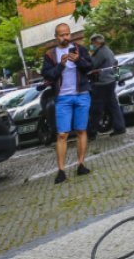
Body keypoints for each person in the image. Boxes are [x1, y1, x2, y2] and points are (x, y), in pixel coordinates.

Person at [40, 23, 94, 184]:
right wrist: (61, 65)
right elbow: (48, 75)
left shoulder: (79, 49)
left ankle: (81, 164)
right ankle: (61, 170)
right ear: (56, 37)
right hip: (63, 97)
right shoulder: (50, 55)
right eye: (62, 35)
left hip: (82, 94)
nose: (65, 37)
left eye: (67, 34)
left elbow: (90, 67)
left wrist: (78, 61)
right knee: (62, 134)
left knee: (81, 130)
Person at [87, 33, 126, 136]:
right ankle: (119, 127)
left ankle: (91, 131)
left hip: (101, 83)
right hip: (110, 82)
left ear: (97, 42)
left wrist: (90, 55)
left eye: (92, 43)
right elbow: (116, 64)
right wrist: (117, 78)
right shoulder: (109, 51)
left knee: (96, 107)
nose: (91, 45)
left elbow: (92, 65)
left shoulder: (100, 53)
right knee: (113, 105)